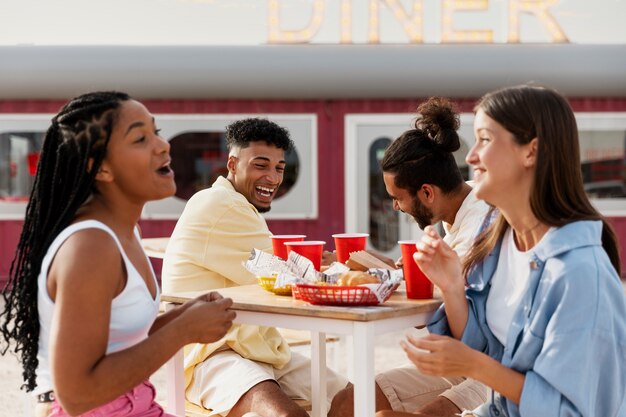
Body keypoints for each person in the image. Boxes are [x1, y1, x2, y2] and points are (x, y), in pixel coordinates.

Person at [0, 91, 236, 417]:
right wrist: (182, 332)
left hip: (132, 404)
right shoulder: (90, 248)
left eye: (156, 132)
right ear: (101, 169)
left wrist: (182, 317)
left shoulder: (122, 231)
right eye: (140, 138)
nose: (162, 145)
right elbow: (77, 395)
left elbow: (117, 340)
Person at [397, 84, 626, 417]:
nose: (472, 156)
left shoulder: (579, 272)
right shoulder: (499, 242)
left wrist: (474, 365)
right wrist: (452, 288)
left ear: (530, 152)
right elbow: (487, 346)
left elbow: (572, 411)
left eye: (485, 140)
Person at [161, 118, 349, 417]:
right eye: (261, 165)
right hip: (210, 355)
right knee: (288, 414)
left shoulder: (237, 206)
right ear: (232, 164)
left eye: (279, 168)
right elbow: (286, 273)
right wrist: (344, 267)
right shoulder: (221, 204)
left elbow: (286, 265)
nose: (273, 177)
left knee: (351, 400)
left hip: (261, 350)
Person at [329, 97, 490, 417]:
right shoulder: (459, 212)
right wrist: (392, 271)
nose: (394, 207)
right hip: (464, 359)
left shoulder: (483, 229)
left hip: (490, 368)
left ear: (427, 193)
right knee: (347, 403)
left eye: (397, 198)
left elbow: (473, 337)